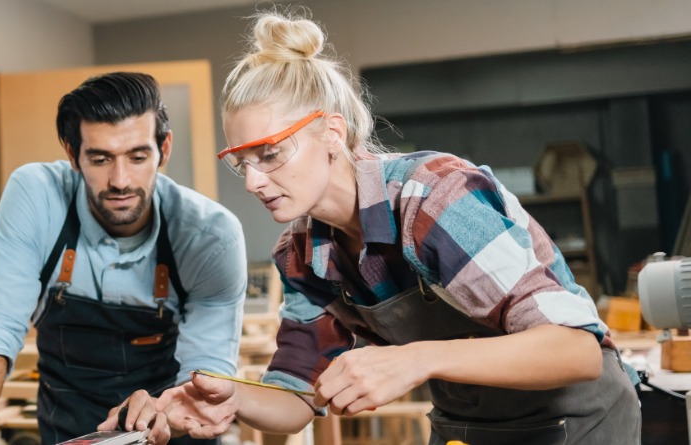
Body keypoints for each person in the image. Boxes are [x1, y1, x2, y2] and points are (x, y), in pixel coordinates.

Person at [144, 9, 640, 445]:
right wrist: (232, 397)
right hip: (467, 423)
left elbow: (575, 349)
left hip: (573, 418)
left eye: (269, 154)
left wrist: (417, 359)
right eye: (241, 161)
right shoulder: (303, 252)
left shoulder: (433, 200)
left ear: (333, 133)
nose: (253, 180)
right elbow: (296, 399)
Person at [0, 72, 248, 445]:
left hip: (174, 428)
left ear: (164, 149)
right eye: (100, 158)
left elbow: (205, 376)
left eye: (138, 157)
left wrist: (160, 412)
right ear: (72, 154)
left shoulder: (209, 235)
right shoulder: (37, 196)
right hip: (68, 428)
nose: (120, 180)